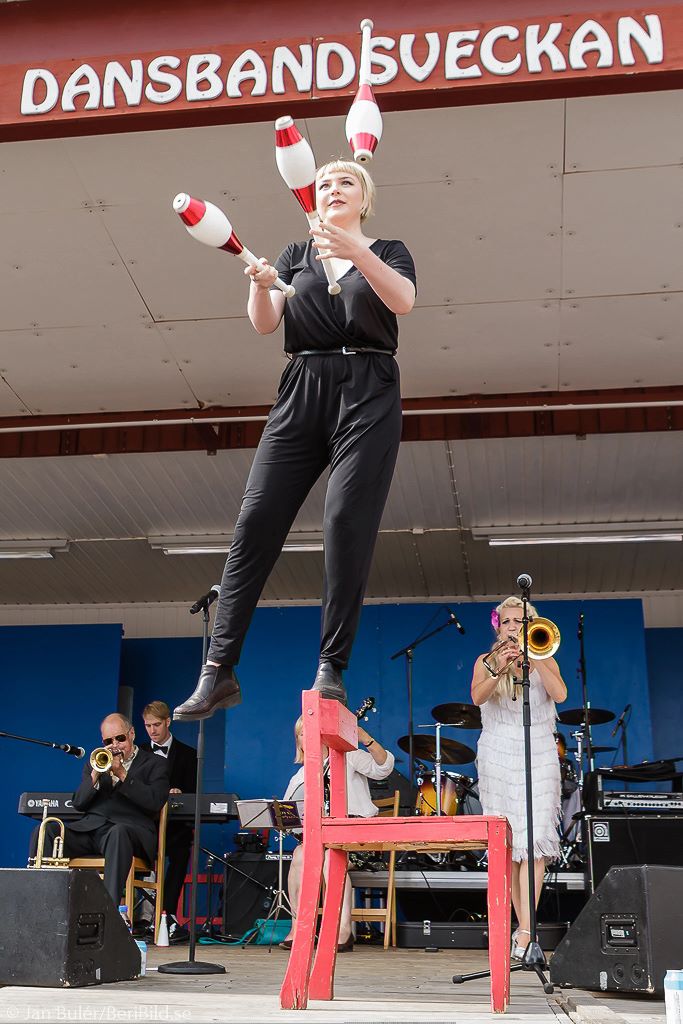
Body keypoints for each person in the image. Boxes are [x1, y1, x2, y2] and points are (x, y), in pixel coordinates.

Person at [173, 159, 416, 721]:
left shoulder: (389, 249)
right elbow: (264, 322)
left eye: (346, 182)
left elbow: (402, 300)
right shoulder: (294, 255)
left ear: (365, 198)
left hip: (369, 387)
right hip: (302, 383)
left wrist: (355, 252)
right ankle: (218, 671)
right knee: (255, 522)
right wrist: (261, 287)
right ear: (313, 192)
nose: (333, 188)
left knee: (344, 521)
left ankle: (332, 666)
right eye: (326, 182)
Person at [471, 597, 567, 960]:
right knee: (510, 845)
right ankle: (523, 929)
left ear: (532, 623)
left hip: (538, 752)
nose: (513, 626)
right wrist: (499, 667)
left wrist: (536, 659)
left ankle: (526, 932)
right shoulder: (485, 661)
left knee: (537, 840)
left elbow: (560, 694)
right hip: (498, 753)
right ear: (499, 626)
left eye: (520, 620)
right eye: (507, 621)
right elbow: (478, 698)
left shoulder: (544, 653)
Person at [280, 714, 395, 951]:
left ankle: (343, 929)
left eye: (311, 731)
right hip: (320, 842)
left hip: (359, 840)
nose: (307, 737)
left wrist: (367, 740)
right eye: (302, 733)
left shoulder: (348, 757)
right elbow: (288, 815)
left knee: (331, 857)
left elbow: (383, 768)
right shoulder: (299, 777)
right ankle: (299, 927)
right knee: (300, 856)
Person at [30, 713, 169, 906]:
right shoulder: (95, 762)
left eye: (120, 738)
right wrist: (95, 775)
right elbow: (79, 803)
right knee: (46, 830)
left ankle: (108, 912)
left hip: (129, 831)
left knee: (118, 833)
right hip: (91, 830)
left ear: (132, 734)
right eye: (108, 740)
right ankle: (43, 906)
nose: (115, 745)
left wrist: (122, 773)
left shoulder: (155, 764)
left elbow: (154, 802)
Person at [139, 700, 197, 942]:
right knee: (134, 846)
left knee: (182, 850)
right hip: (146, 825)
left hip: (175, 827)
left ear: (168, 722)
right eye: (147, 725)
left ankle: (168, 913)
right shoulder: (139, 752)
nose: (152, 730)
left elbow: (193, 792)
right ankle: (141, 917)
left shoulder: (189, 754)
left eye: (156, 724)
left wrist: (179, 792)